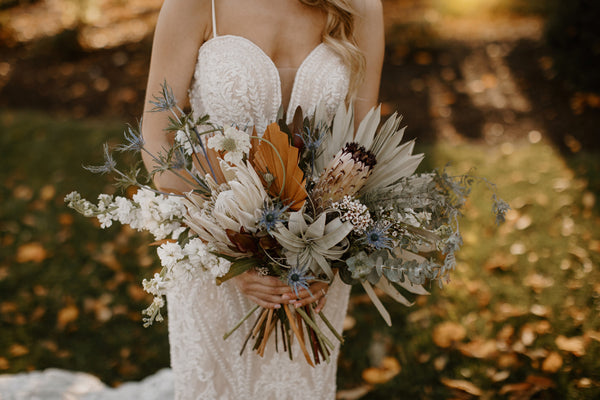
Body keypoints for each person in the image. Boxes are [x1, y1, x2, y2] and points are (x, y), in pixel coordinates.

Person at [141, 0, 384, 398]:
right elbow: (157, 140)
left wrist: (330, 255)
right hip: (214, 259)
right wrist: (227, 253)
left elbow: (362, 144)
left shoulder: (359, 7)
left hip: (315, 268)